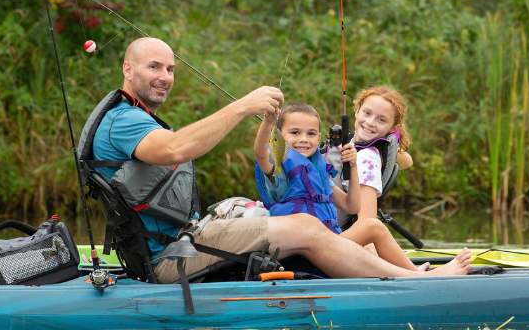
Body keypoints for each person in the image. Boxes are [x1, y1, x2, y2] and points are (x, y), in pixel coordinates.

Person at [88, 37, 471, 284]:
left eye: (170, 69)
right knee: (304, 225)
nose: (165, 77)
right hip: (170, 259)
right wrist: (243, 107)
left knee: (292, 221)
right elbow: (174, 149)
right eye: (154, 67)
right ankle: (418, 281)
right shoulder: (124, 120)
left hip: (185, 240)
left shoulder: (138, 117)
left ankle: (399, 271)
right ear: (128, 69)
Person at [253, 103, 435, 272]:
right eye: (294, 132)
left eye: (310, 134)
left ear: (318, 138)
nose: (303, 139)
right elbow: (260, 152)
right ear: (278, 137)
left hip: (322, 247)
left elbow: (352, 206)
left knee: (371, 233)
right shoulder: (279, 170)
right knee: (373, 228)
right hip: (297, 252)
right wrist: (269, 120)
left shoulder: (318, 174)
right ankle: (417, 277)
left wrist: (353, 166)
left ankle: (407, 274)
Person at [338, 85, 418, 259]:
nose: (370, 122)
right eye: (367, 113)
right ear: (357, 111)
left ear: (392, 128)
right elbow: (408, 161)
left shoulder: (366, 159)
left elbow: (367, 224)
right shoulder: (352, 143)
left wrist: (371, 261)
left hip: (336, 241)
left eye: (381, 120)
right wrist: (388, 148)